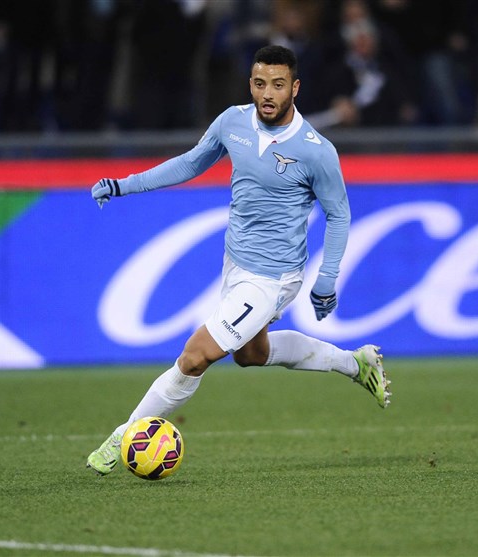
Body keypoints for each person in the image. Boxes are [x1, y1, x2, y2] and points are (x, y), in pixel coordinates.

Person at [85, 45, 391, 476]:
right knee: (251, 354)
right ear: (250, 83)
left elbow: (339, 214)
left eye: (278, 85)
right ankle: (354, 363)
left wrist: (327, 277)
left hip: (273, 278)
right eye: (260, 83)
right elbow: (190, 163)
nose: (267, 93)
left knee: (195, 356)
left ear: (295, 88)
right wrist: (124, 185)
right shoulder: (233, 122)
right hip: (236, 263)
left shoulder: (315, 150)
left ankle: (123, 436)